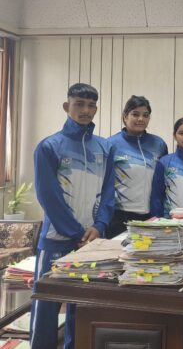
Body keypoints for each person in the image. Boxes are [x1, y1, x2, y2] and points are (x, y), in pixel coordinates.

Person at [30, 83, 115, 349]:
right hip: (56, 240)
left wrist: (99, 226)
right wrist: (77, 232)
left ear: (96, 109)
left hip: (91, 243)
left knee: (83, 308)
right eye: (79, 104)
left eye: (91, 105)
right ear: (67, 106)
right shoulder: (49, 146)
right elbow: (48, 196)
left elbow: (109, 192)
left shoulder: (105, 148)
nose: (85, 110)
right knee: (46, 307)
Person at [106, 95, 168, 238]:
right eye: (135, 114)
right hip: (118, 216)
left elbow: (163, 181)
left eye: (145, 115)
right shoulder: (111, 144)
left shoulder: (158, 144)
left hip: (150, 215)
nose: (141, 119)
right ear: (125, 116)